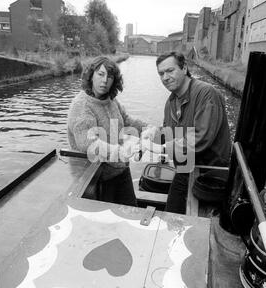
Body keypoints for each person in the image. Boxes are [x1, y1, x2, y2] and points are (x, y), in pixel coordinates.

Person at [141, 51, 231, 214]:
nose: (165, 77)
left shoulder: (206, 93)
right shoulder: (171, 102)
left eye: (170, 71)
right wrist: (154, 134)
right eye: (161, 73)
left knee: (199, 226)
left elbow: (199, 137)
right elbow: (170, 133)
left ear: (184, 68)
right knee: (172, 215)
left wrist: (162, 149)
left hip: (209, 175)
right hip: (184, 170)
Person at [68, 56, 150, 207]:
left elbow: (126, 120)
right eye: (100, 74)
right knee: (108, 223)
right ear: (91, 75)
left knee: (131, 211)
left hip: (120, 170)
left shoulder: (111, 100)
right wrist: (120, 152)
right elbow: (88, 144)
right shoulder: (82, 105)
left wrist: (149, 128)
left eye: (110, 76)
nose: (105, 80)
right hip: (97, 177)